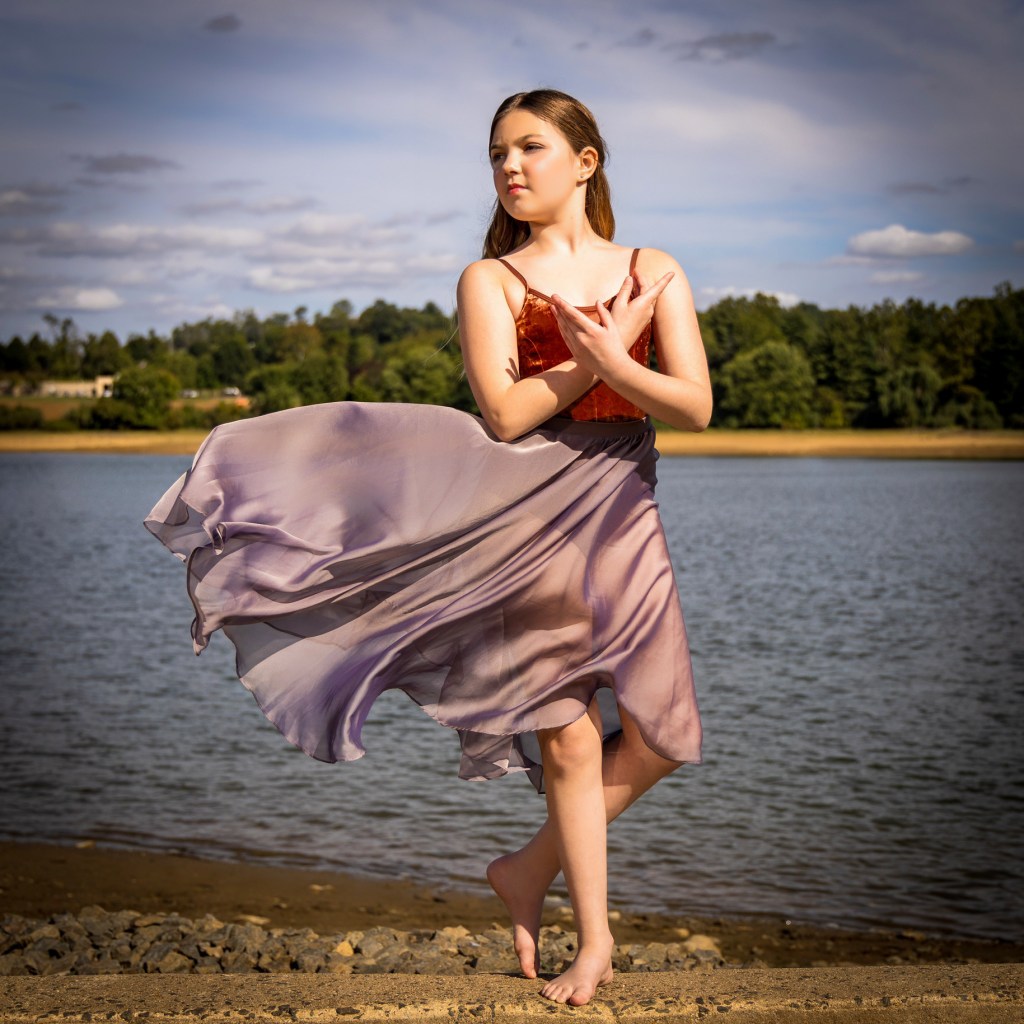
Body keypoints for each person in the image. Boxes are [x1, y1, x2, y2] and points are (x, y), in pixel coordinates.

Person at [144, 88, 710, 1008]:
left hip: (623, 510)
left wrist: (622, 358)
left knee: (659, 737)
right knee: (567, 739)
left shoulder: (655, 269)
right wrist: (599, 357)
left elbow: (694, 405)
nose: (511, 168)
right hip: (528, 520)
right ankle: (595, 944)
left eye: (530, 148)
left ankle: (525, 871)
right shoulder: (491, 280)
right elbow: (506, 409)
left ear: (586, 161)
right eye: (497, 155)